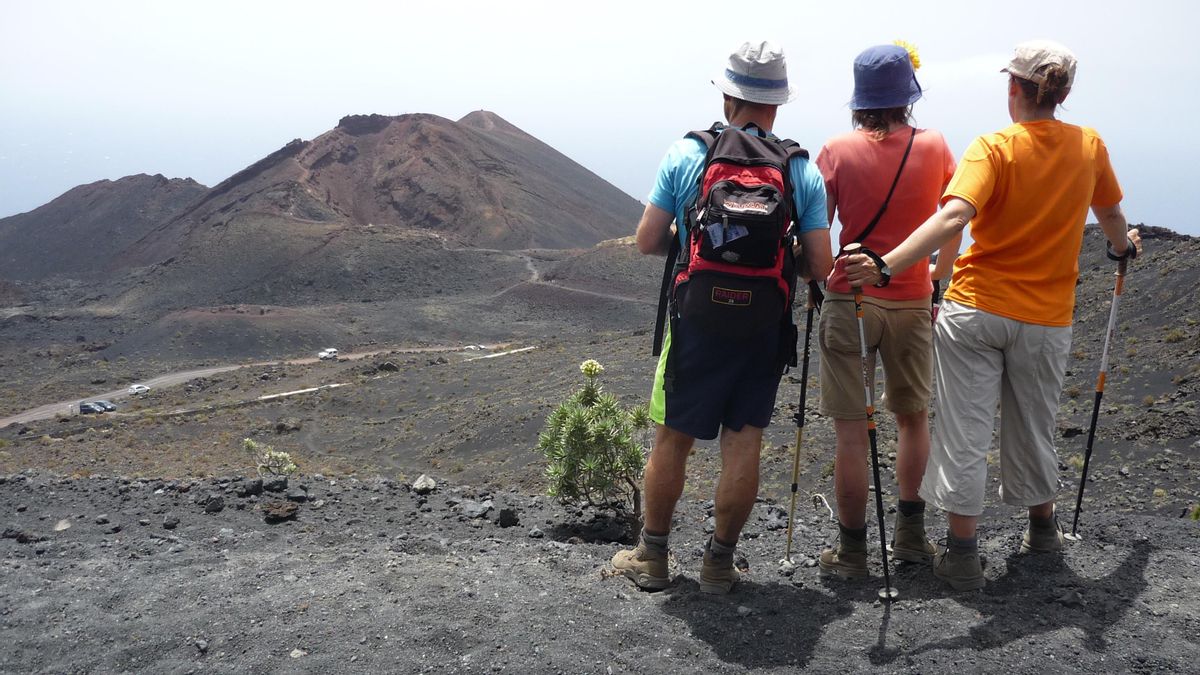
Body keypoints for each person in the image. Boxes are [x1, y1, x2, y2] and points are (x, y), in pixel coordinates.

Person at [844, 40, 1142, 591]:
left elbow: (954, 215)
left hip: (976, 309)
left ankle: (961, 555)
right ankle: (1043, 530)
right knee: (1034, 423)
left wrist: (885, 264)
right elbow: (1113, 216)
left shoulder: (993, 147)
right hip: (1047, 316)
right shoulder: (1089, 146)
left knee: (964, 430)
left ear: (1014, 88)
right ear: (1063, 94)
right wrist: (1123, 248)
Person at [611, 40, 832, 594]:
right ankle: (718, 563)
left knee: (672, 439)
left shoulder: (689, 155)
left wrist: (695, 247)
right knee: (745, 442)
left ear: (729, 93)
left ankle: (653, 558)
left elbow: (644, 242)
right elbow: (820, 266)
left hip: (697, 322)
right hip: (763, 327)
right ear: (778, 104)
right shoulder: (799, 169)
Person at [814, 43, 960, 579]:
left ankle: (852, 553)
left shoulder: (834, 150)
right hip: (912, 300)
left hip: (849, 297)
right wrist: (936, 285)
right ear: (908, 95)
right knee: (913, 419)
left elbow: (816, 231)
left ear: (860, 99)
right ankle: (911, 538)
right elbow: (953, 224)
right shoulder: (938, 146)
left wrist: (819, 279)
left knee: (852, 432)